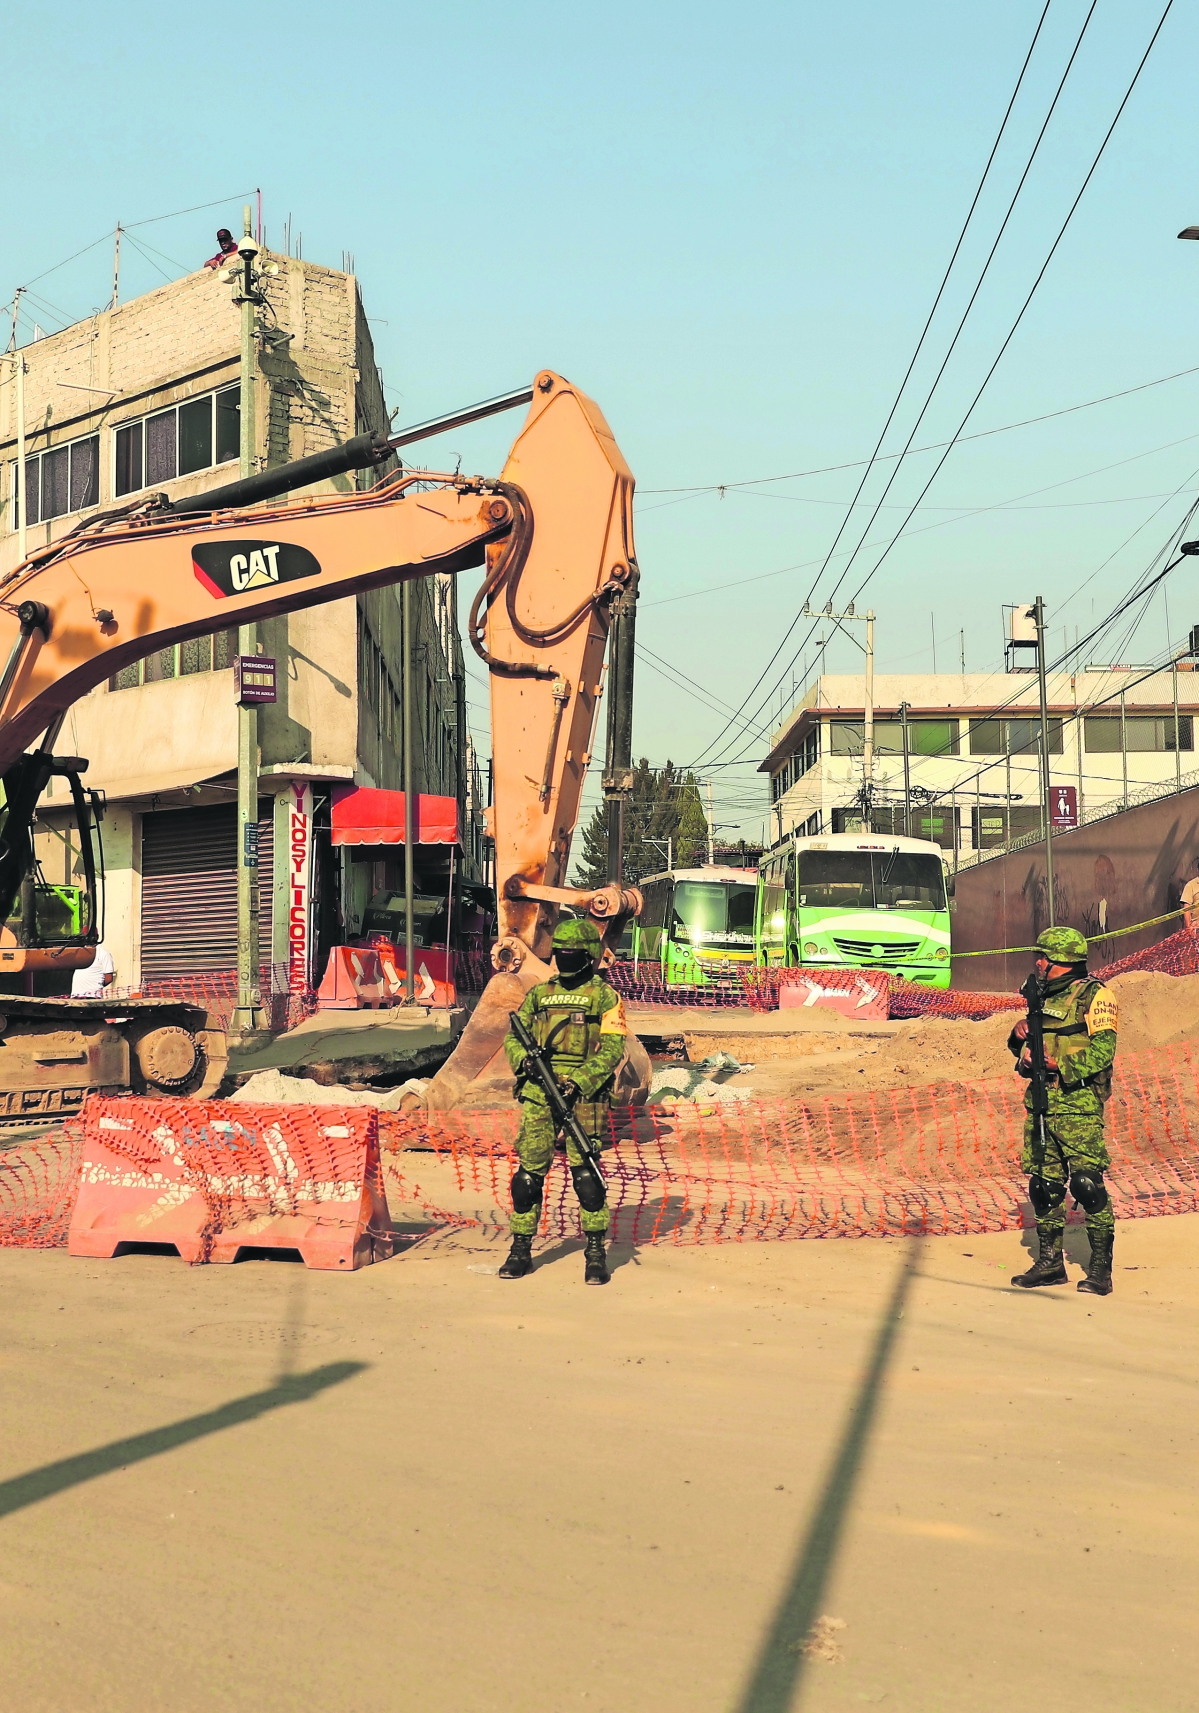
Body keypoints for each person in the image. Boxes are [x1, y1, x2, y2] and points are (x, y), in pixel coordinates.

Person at [499, 917, 627, 1286]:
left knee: (588, 1178)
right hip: (540, 1094)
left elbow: (613, 1048)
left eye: (573, 953)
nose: (566, 959)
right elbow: (514, 1037)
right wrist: (524, 1062)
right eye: (561, 953)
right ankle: (520, 1249)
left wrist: (580, 1081)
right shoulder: (539, 994)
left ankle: (595, 1254)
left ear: (590, 956)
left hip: (584, 1098)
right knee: (526, 1178)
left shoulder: (605, 997)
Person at [1008, 926, 1118, 1296]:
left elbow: (1104, 1052)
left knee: (1087, 1185)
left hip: (1079, 1104)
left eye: (1046, 959)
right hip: (1041, 1102)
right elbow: (1029, 1047)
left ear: (1067, 962)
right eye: (1038, 957)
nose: (1039, 964)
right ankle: (1050, 1264)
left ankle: (1100, 1270)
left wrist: (1061, 1067)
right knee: (1043, 1185)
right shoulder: (1039, 995)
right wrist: (1019, 1039)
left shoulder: (1096, 996)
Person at [1181, 857, 1199, 934]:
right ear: (1198, 870)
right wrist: (1189, 927)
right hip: (1196, 926)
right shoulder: (1190, 885)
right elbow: (1187, 906)